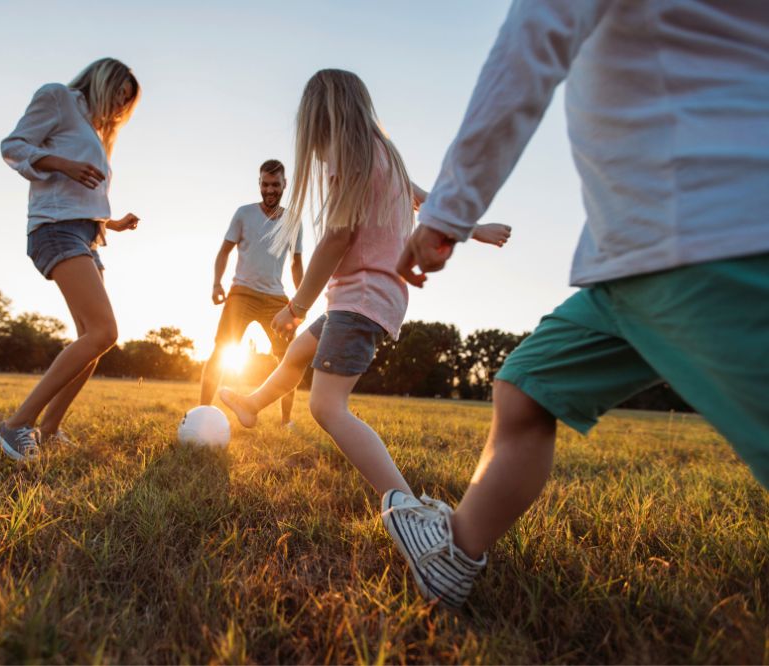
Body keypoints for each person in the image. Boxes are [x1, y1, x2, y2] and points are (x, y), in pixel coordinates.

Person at [390, 0, 769, 608]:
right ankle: (454, 557)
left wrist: (446, 214)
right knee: (528, 385)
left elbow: (530, 43)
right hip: (629, 258)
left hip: (707, 239)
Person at [220, 69, 510, 508]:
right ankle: (252, 404)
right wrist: (476, 228)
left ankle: (409, 507)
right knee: (299, 352)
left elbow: (336, 238)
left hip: (362, 298)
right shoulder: (384, 154)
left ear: (323, 120)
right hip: (363, 298)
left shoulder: (347, 155)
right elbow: (426, 200)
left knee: (326, 407)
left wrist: (297, 304)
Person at [0, 57, 142, 461]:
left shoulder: (94, 129)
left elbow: (82, 195)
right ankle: (14, 425)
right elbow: (13, 146)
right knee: (103, 331)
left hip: (86, 234)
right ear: (102, 81)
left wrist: (112, 222)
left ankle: (50, 428)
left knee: (93, 342)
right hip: (54, 228)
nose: (118, 107)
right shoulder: (58, 97)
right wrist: (64, 164)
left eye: (125, 103)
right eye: (118, 95)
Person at [200, 160, 304, 426]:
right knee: (221, 351)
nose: (270, 190)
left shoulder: (293, 221)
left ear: (284, 185)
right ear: (259, 184)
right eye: (265, 184)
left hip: (276, 299)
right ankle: (202, 414)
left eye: (275, 185)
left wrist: (301, 301)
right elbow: (224, 251)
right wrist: (216, 283)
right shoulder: (243, 214)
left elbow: (296, 264)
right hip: (242, 293)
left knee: (289, 359)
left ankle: (285, 421)